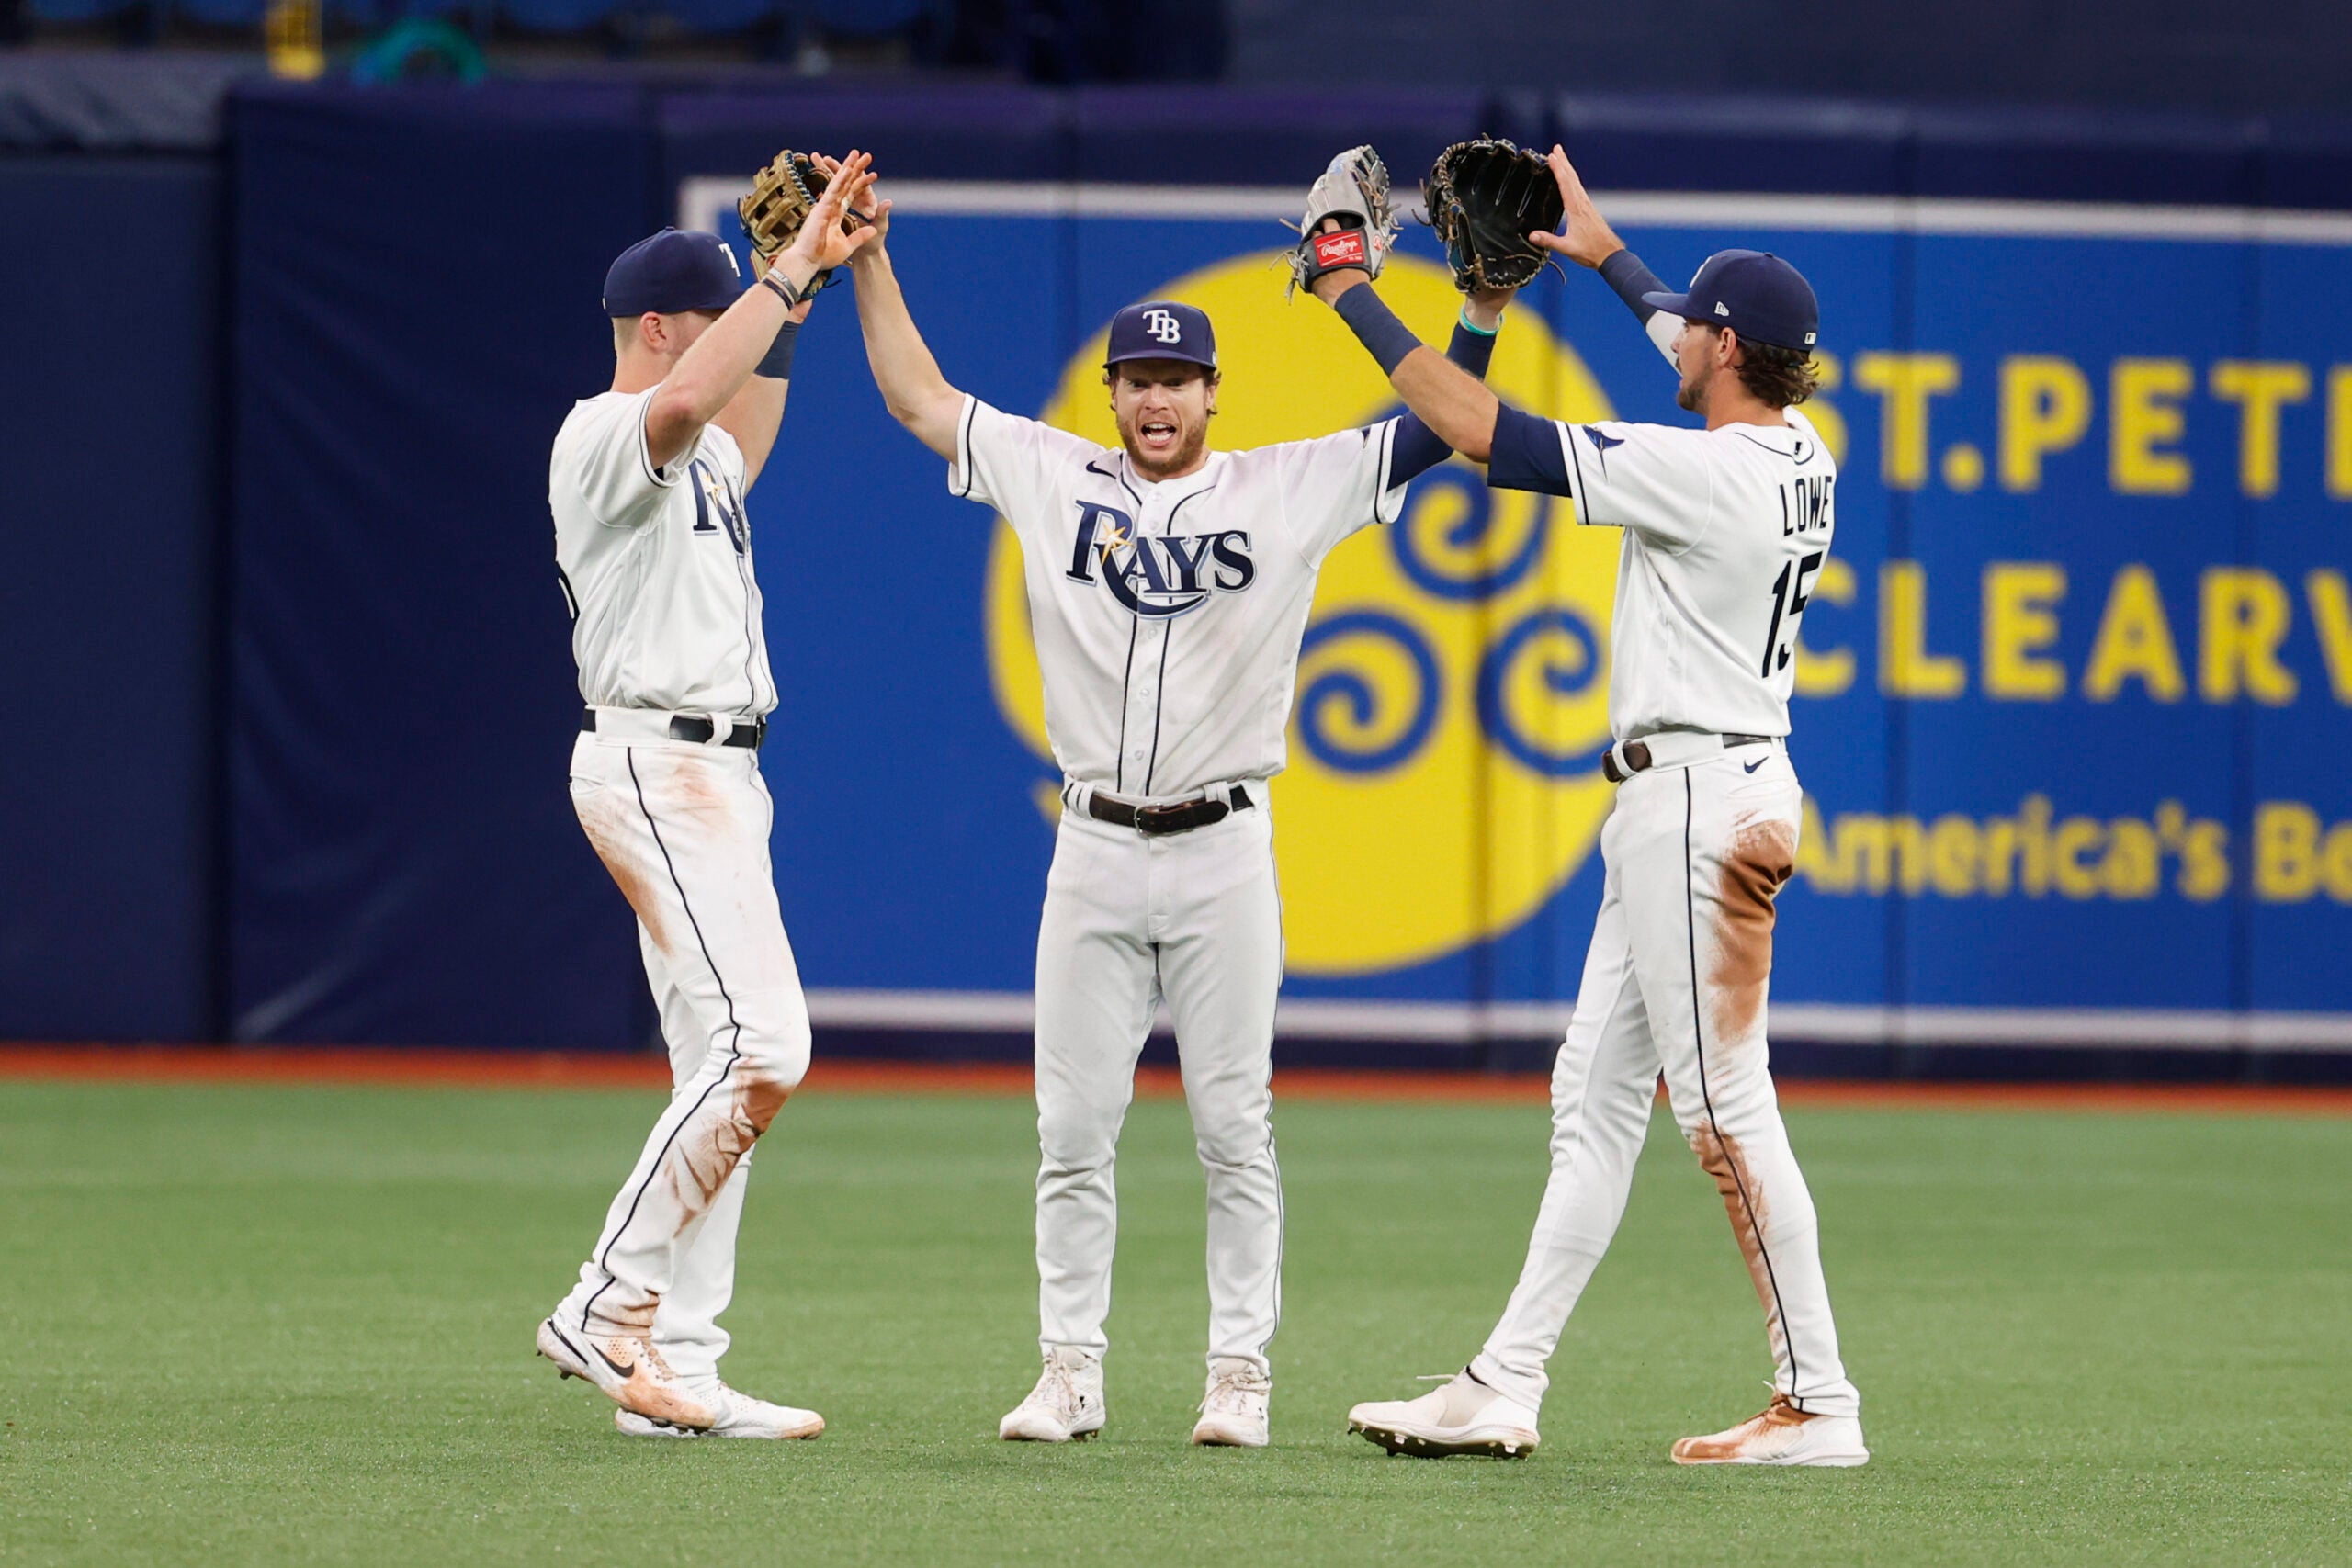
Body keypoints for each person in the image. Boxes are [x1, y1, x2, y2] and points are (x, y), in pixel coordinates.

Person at [840, 160, 1512, 1448]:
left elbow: (1439, 429)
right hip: (1090, 847)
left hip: (1221, 852)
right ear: (1115, 396)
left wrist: (1475, 313)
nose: (1158, 400)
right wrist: (870, 257)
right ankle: (1069, 1372)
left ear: (1214, 391)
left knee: (1233, 1128)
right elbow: (916, 398)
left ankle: (1238, 1378)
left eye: (1179, 380)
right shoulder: (1051, 473)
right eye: (1138, 381)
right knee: (1072, 1129)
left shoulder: (1281, 486)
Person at [1313, 146, 1868, 1467]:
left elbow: (1473, 428)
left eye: (1696, 330)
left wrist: (1347, 289)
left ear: (1726, 351)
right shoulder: (1800, 446)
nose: (1676, 339)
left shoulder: (1709, 473)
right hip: (1701, 788)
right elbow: (1693, 330)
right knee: (1594, 1101)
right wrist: (1611, 255)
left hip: (1694, 800)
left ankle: (1820, 1404)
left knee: (1724, 1108)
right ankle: (1504, 1381)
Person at [531, 152, 879, 1439]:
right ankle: (606, 1306)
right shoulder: (603, 432)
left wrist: (808, 300)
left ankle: (667, 1366)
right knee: (764, 1047)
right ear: (671, 325)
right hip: (657, 764)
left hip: (719, 770)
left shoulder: (697, 459)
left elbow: (738, 427)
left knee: (712, 1064)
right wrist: (784, 279)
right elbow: (684, 406)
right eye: (726, 312)